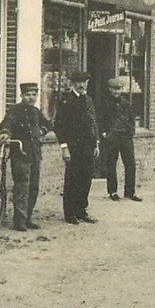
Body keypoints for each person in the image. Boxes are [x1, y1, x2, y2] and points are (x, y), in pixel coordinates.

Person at [0, 82, 53, 231]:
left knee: (33, 187)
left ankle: (28, 218)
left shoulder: (35, 112)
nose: (31, 97)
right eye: (28, 95)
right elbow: (6, 123)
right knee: (22, 186)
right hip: (20, 154)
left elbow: (48, 125)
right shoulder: (15, 110)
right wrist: (6, 133)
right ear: (21, 95)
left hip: (35, 154)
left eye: (34, 94)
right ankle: (19, 220)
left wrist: (42, 131)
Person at [53, 70, 99, 224]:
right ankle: (70, 213)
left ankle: (81, 210)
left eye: (84, 82)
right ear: (72, 83)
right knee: (72, 179)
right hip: (73, 147)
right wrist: (64, 147)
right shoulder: (66, 101)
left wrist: (96, 143)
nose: (81, 85)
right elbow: (59, 126)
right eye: (78, 82)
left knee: (86, 179)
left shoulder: (88, 100)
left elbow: (93, 122)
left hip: (88, 146)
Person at [99, 77, 141, 202]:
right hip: (112, 137)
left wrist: (131, 132)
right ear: (109, 89)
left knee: (130, 164)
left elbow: (131, 120)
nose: (116, 92)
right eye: (114, 89)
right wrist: (105, 134)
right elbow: (100, 120)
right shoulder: (104, 104)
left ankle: (130, 192)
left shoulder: (126, 103)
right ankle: (112, 191)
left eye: (119, 89)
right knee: (111, 164)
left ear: (122, 90)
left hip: (125, 137)